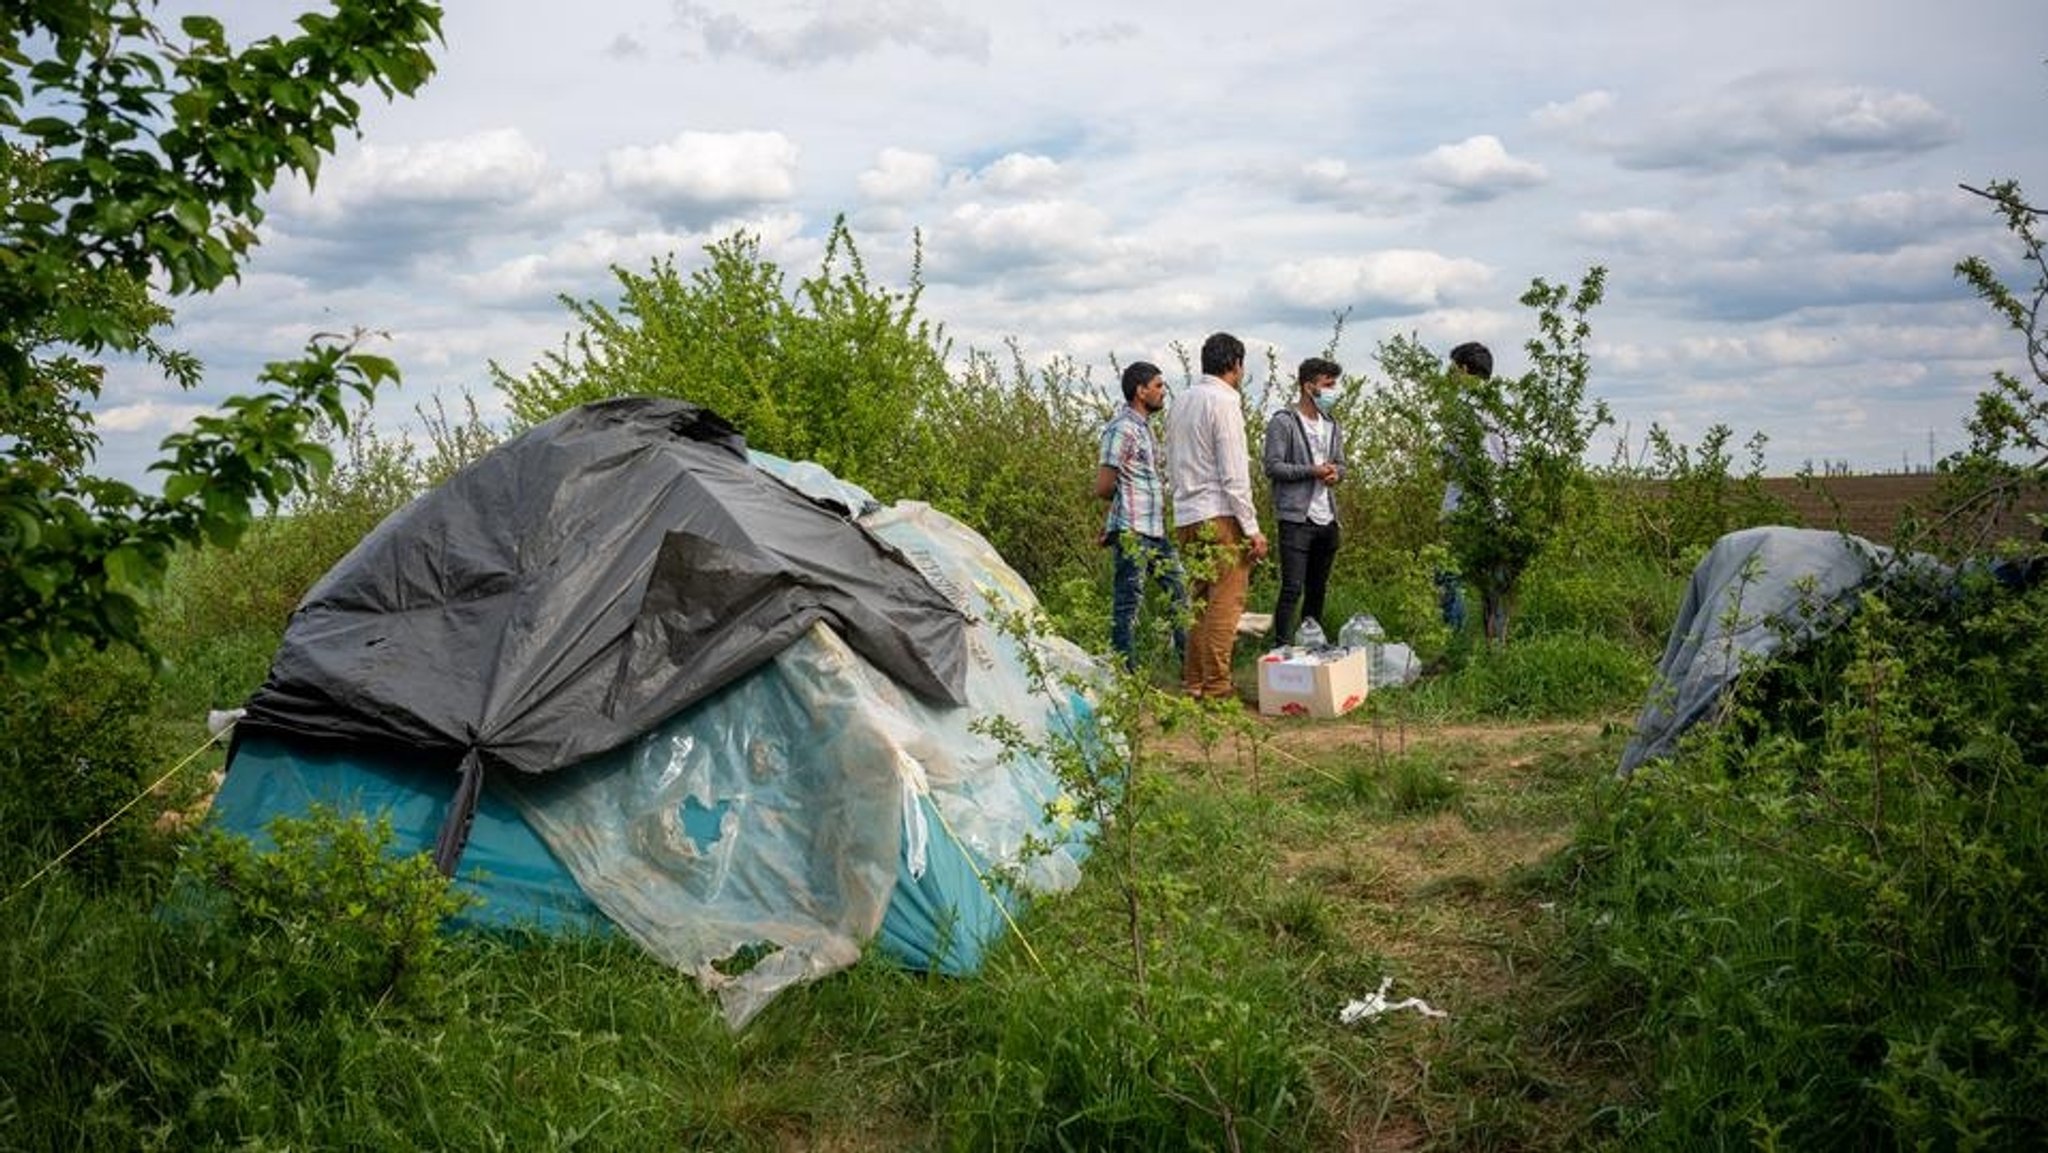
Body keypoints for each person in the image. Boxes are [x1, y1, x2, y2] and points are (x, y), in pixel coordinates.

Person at [1166, 332, 1268, 699]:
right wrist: (1252, 529)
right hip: (1219, 512)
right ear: (1236, 365)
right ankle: (1217, 686)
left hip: (1187, 514)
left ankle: (1194, 681)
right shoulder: (1224, 401)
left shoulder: (1181, 402)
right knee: (1226, 602)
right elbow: (1233, 473)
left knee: (1201, 600)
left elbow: (1173, 462)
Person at [1094, 360, 1188, 671]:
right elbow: (1105, 484)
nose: (1163, 392)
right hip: (1133, 531)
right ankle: (1126, 674)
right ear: (1140, 390)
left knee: (1180, 594)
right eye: (1158, 386)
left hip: (1154, 530)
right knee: (1128, 605)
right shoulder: (1121, 428)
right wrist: (1116, 522)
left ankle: (1191, 668)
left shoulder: (1144, 429)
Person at [1263, 356, 1347, 646]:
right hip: (1296, 518)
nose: (1333, 390)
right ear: (1309, 386)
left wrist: (1336, 474)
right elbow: (1273, 467)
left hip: (1328, 517)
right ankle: (1282, 647)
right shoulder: (1283, 422)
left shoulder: (1332, 424)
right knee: (1292, 588)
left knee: (1317, 588)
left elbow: (1342, 465)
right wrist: (1313, 470)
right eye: (1328, 384)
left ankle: (1312, 644)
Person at [1437, 341, 1512, 641]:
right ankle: (1496, 646)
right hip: (1499, 509)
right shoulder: (1503, 412)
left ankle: (1454, 643)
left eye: (1452, 368)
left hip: (1463, 509)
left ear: (1464, 369)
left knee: (1448, 576)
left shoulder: (1461, 411)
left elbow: (1447, 465)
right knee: (1495, 583)